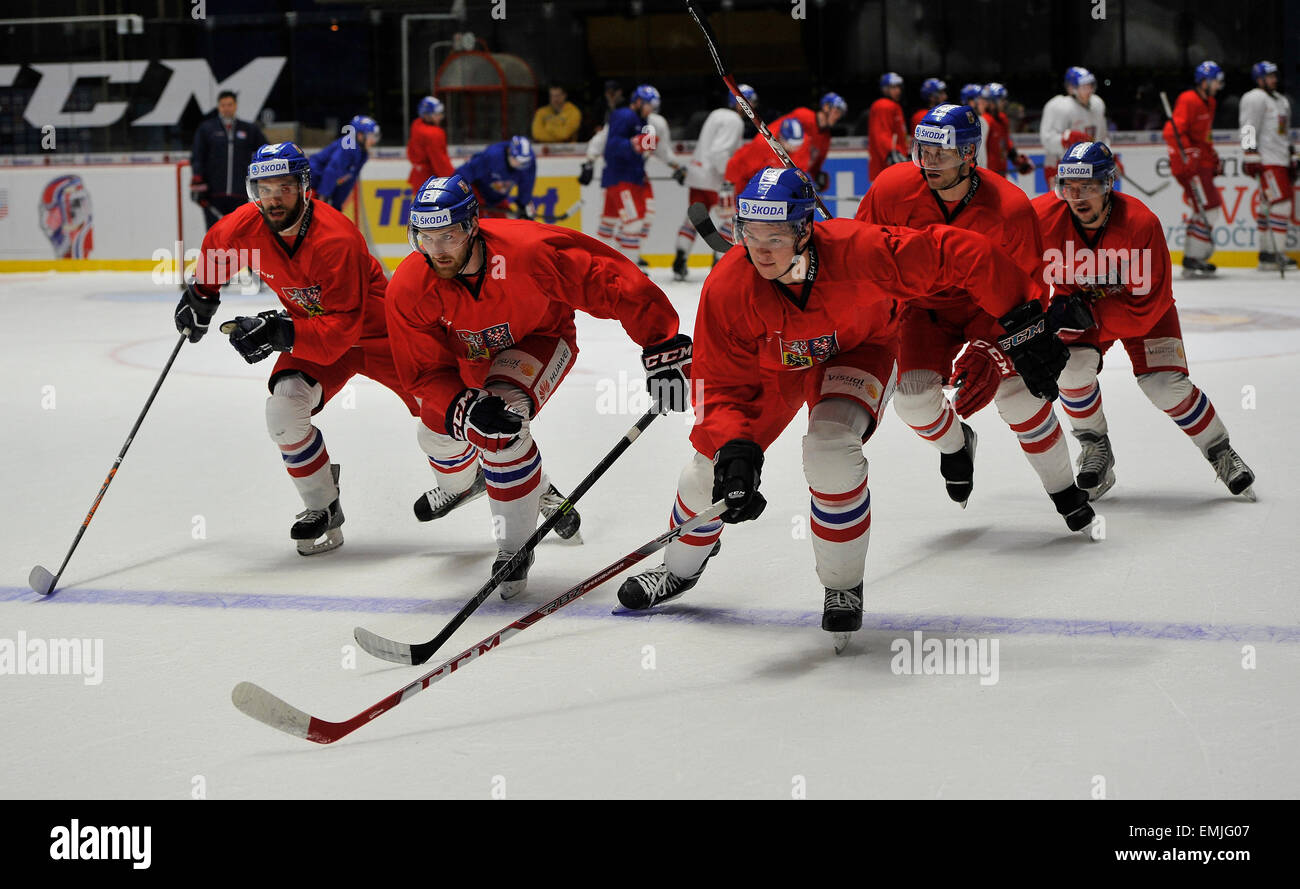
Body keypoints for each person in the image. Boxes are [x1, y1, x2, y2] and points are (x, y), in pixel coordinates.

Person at [616, 167, 1069, 649]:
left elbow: (964, 253)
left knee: (830, 449)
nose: (761, 251)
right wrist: (735, 444)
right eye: (750, 234)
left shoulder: (864, 251)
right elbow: (721, 387)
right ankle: (679, 569)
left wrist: (1023, 317)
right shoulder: (729, 287)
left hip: (862, 348)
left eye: (776, 236)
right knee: (705, 473)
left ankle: (841, 586)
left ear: (806, 230)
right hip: (778, 365)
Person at [384, 174, 689, 598]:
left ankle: (514, 548)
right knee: (433, 431)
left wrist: (662, 342)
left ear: (472, 226)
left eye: (448, 235)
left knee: (503, 430)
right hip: (471, 364)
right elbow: (422, 372)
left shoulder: (526, 253)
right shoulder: (409, 286)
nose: (436, 250)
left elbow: (609, 280)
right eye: (425, 237)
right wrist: (463, 409)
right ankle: (531, 487)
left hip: (541, 340)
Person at [172, 142, 420, 555]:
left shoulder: (336, 238)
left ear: (304, 187)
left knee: (450, 422)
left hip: (382, 337)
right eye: (264, 189)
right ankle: (322, 506)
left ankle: (528, 487)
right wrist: (202, 292)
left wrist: (278, 333)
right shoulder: (246, 226)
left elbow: (342, 331)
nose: (274, 199)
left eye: (284, 187)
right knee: (283, 412)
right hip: (313, 334)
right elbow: (218, 244)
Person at [856, 104, 1093, 532]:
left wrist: (993, 348)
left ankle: (1064, 490)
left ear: (969, 155)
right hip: (922, 311)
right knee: (911, 399)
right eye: (922, 151)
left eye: (941, 154)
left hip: (993, 313)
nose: (929, 163)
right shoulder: (891, 188)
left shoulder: (1010, 208)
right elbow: (860, 254)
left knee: (1019, 396)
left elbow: (1029, 290)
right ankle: (956, 444)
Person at [1034, 141, 1256, 501]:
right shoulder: (1041, 217)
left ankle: (1219, 449)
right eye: (1069, 188)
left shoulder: (1140, 224)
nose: (1077, 197)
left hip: (1143, 312)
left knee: (1164, 385)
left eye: (1087, 186)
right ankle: (1094, 446)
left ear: (1108, 185)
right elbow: (1017, 269)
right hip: (1077, 307)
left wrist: (1083, 313)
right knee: (1071, 370)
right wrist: (1031, 320)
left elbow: (1146, 308)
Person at [673, 84, 755, 280]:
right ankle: (719, 261)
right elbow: (719, 152)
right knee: (733, 219)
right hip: (715, 179)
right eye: (749, 101)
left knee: (694, 220)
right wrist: (728, 177)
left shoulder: (715, 114)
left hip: (696, 175)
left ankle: (680, 258)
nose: (751, 106)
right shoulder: (735, 120)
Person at [1163, 61, 1229, 278]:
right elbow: (1172, 131)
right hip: (1190, 166)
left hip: (1201, 164)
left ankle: (1194, 256)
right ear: (1204, 82)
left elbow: (1204, 136)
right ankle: (1193, 257)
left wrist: (1212, 156)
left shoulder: (1210, 102)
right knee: (1208, 208)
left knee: (1206, 209)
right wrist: (1188, 155)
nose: (1219, 85)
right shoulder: (1188, 99)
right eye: (1215, 81)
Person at [581, 84, 659, 264]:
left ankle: (601, 261)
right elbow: (612, 146)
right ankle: (629, 267)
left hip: (631, 176)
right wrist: (634, 145)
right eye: (649, 105)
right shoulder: (625, 116)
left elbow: (638, 146)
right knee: (634, 222)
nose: (651, 110)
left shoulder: (641, 120)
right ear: (638, 102)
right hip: (622, 177)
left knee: (610, 222)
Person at [1239, 60, 1296, 271]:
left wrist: (1291, 155)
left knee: (1269, 207)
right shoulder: (1255, 98)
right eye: (1269, 76)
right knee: (1280, 204)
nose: (1274, 80)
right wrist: (1250, 156)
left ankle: (1266, 254)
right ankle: (1274, 254)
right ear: (1260, 79)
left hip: (1279, 160)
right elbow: (1248, 127)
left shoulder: (1281, 101)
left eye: (1275, 76)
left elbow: (1283, 132)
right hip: (1267, 161)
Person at [190, 90, 268, 229]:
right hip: (213, 194)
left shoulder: (249, 129)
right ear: (219, 107)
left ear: (235, 106)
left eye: (230, 104)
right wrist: (198, 181)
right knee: (215, 233)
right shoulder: (207, 129)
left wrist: (262, 179)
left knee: (238, 233)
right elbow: (197, 156)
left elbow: (266, 153)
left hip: (240, 193)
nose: (226, 108)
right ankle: (215, 252)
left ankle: (237, 252)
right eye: (223, 105)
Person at [1040, 67, 1108, 189]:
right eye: (1084, 87)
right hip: (1060, 166)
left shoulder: (1098, 104)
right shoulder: (1059, 107)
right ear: (1072, 89)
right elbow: (1047, 139)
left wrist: (1108, 157)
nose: (1089, 90)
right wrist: (1067, 138)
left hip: (1088, 167)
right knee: (1062, 206)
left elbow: (1102, 137)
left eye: (1090, 85)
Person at [771, 92, 847, 190]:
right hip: (778, 173)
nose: (838, 117)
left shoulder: (826, 138)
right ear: (826, 107)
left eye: (840, 114)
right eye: (837, 112)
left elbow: (815, 166)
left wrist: (817, 177)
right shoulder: (803, 115)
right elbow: (772, 134)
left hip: (796, 181)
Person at [309, 115, 380, 211]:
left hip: (320, 185)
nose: (373, 141)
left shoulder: (363, 154)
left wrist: (337, 206)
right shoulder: (348, 146)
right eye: (371, 136)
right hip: (311, 183)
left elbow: (349, 180)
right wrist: (323, 199)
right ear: (360, 135)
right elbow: (331, 171)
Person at [455, 135, 537, 219]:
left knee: (505, 226)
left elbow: (527, 184)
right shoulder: (492, 156)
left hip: (498, 199)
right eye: (518, 161)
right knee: (477, 224)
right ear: (510, 152)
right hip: (477, 193)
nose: (521, 165)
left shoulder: (528, 163)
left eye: (524, 163)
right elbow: (467, 172)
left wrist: (523, 205)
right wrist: (457, 194)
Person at [723, 117, 804, 194]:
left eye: (799, 143)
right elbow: (740, 167)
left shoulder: (801, 145)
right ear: (781, 138)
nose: (796, 147)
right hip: (743, 177)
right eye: (792, 143)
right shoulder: (763, 145)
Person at [981, 83, 1035, 178]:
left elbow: (1006, 143)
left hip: (1001, 173)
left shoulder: (1003, 119)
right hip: (987, 176)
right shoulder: (984, 121)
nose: (1004, 103)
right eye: (1001, 100)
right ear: (991, 103)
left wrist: (1018, 160)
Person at [407, 96, 454, 202]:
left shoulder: (416, 124)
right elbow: (440, 162)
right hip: (432, 183)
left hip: (418, 179)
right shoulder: (434, 134)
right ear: (427, 115)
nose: (441, 117)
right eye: (437, 114)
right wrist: (451, 180)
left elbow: (410, 151)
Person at [867, 72, 909, 182]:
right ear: (885, 89)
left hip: (891, 166)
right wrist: (891, 153)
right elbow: (881, 134)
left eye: (899, 87)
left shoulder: (894, 106)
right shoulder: (883, 105)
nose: (898, 91)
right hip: (885, 168)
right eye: (894, 87)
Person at [959, 83, 990, 169]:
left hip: (981, 173)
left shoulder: (983, 122)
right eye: (982, 100)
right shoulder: (959, 122)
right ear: (971, 102)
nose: (986, 104)